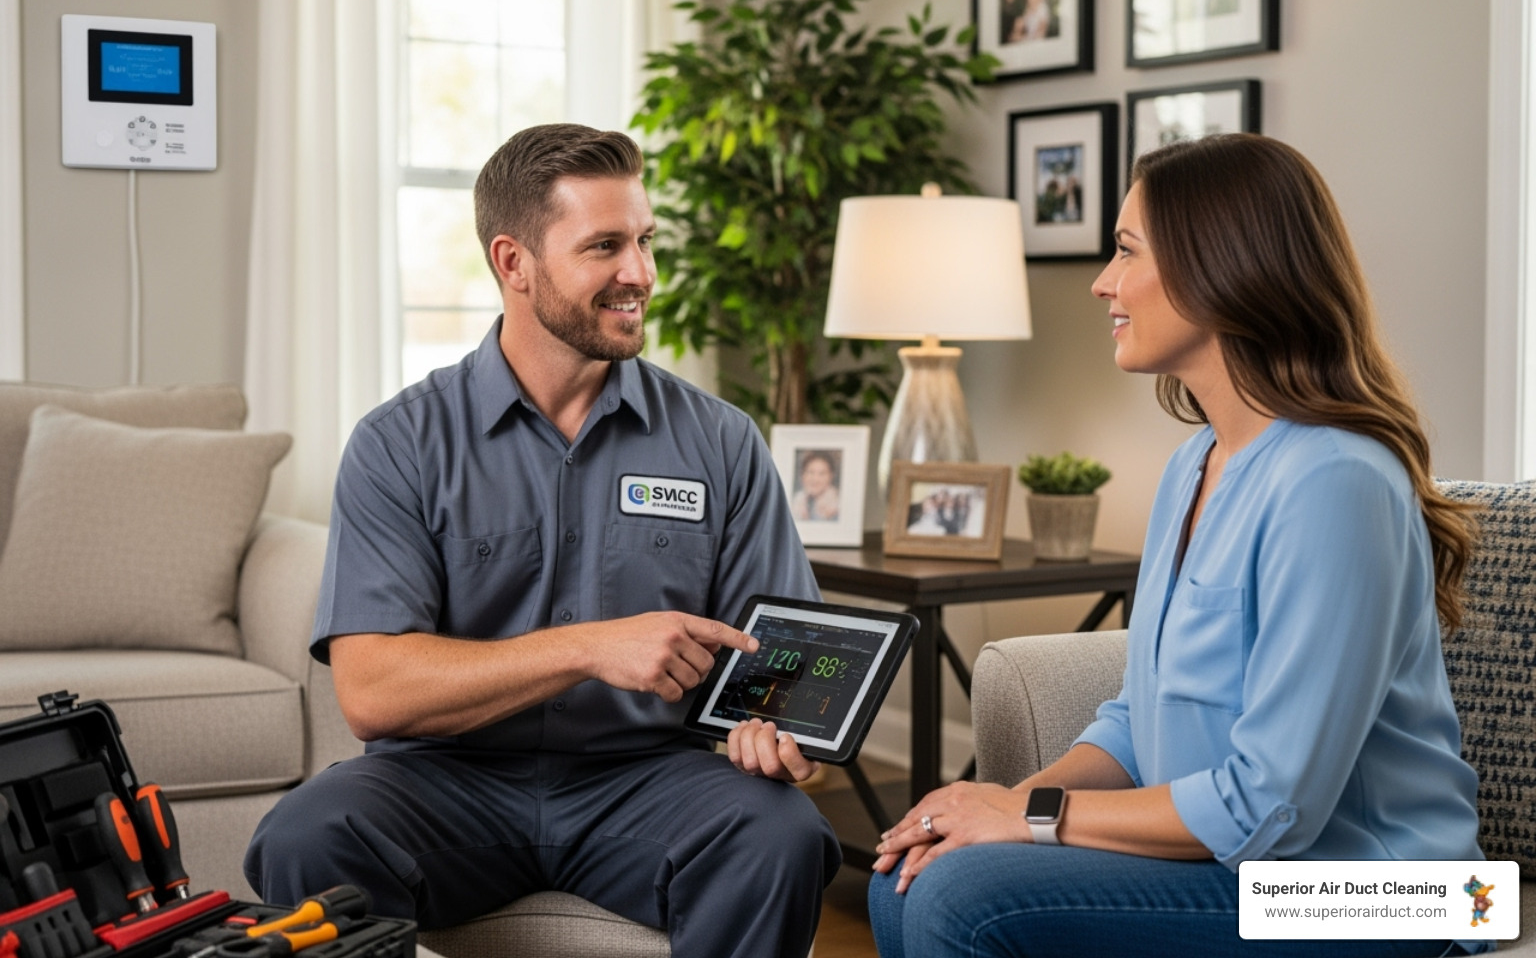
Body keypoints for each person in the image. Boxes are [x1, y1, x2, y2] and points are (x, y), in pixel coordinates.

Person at [866, 134, 1488, 958]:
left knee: (961, 898)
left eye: (1126, 250)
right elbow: (1136, 720)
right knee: (909, 868)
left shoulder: (1337, 481)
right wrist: (992, 806)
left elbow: (1272, 804)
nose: (1102, 282)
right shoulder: (1194, 463)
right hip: (1241, 867)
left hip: (1391, 893)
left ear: (1220, 264)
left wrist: (1026, 819)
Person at [245, 123, 840, 958]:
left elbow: (784, 665)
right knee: (305, 835)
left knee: (783, 836)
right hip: (444, 782)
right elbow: (372, 692)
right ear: (513, 263)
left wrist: (777, 730)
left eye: (644, 241)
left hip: (653, 779)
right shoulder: (401, 442)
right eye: (605, 246)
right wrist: (589, 649)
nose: (640, 274)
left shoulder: (721, 441)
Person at [791, 450, 840, 521]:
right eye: (811, 472)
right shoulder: (795, 502)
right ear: (802, 475)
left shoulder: (837, 507)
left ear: (831, 476)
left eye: (822, 473)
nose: (815, 479)